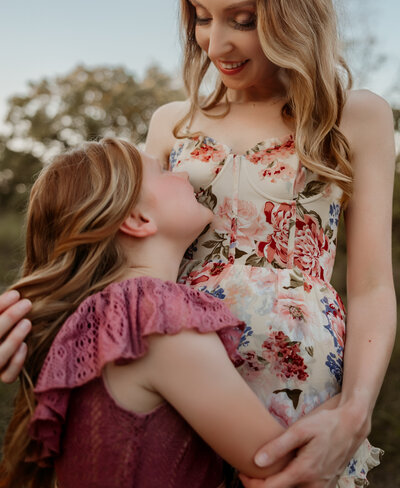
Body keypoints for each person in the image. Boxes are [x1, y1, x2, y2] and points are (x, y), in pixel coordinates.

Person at [0, 0, 396, 488]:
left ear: (292, 9)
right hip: (182, 397)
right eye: (201, 16)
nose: (216, 44)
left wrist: (356, 412)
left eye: (242, 18)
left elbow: (369, 285)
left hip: (304, 406)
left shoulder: (354, 118)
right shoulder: (171, 125)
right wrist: (27, 307)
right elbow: (115, 246)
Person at [1, 137, 297, 488]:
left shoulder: (99, 320)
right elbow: (277, 461)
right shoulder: (154, 316)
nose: (184, 175)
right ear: (138, 218)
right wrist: (347, 411)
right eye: (162, 171)